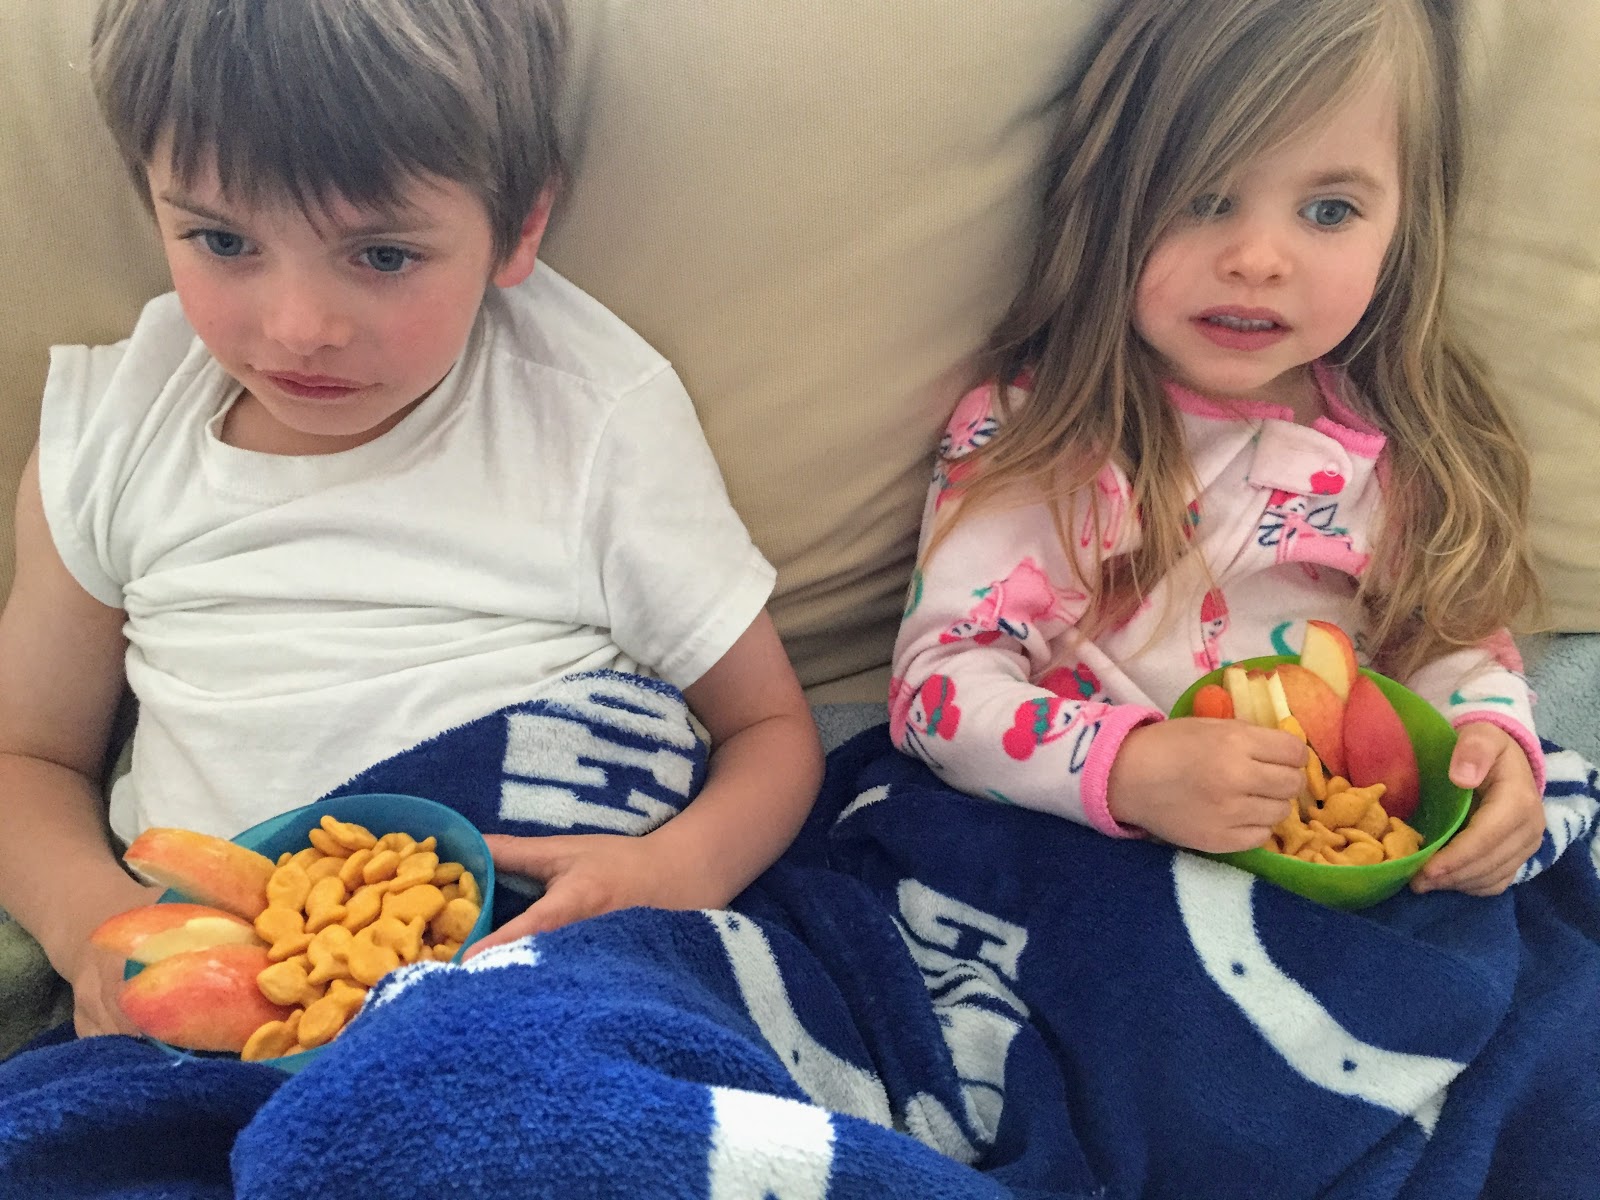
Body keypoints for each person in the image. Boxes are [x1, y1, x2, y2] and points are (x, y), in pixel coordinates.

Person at [0, 0, 822, 1039]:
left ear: (519, 227)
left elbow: (769, 729)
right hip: (226, 1014)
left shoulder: (590, 415)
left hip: (537, 976)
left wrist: (675, 871)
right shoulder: (114, 433)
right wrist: (93, 930)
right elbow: (27, 755)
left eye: (382, 256)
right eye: (222, 240)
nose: (300, 328)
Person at [889, 0, 1547, 898]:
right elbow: (938, 689)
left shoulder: (1404, 442)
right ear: (1110, 204)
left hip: (1337, 857)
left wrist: (1490, 744)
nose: (1257, 258)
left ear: (1404, 229)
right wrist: (1130, 769)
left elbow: (1447, 642)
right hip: (1090, 847)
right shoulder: (1047, 436)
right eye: (1205, 199)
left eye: (1329, 210)